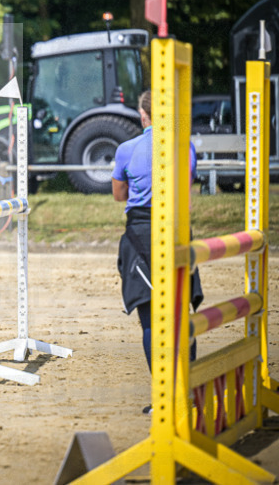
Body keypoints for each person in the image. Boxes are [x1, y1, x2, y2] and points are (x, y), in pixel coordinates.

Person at [112, 90, 202, 413]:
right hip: (178, 230)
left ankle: (162, 399)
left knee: (151, 319)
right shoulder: (185, 147)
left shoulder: (126, 149)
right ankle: (186, 393)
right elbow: (188, 189)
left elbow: (119, 196)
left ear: (143, 115)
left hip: (142, 234)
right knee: (181, 314)